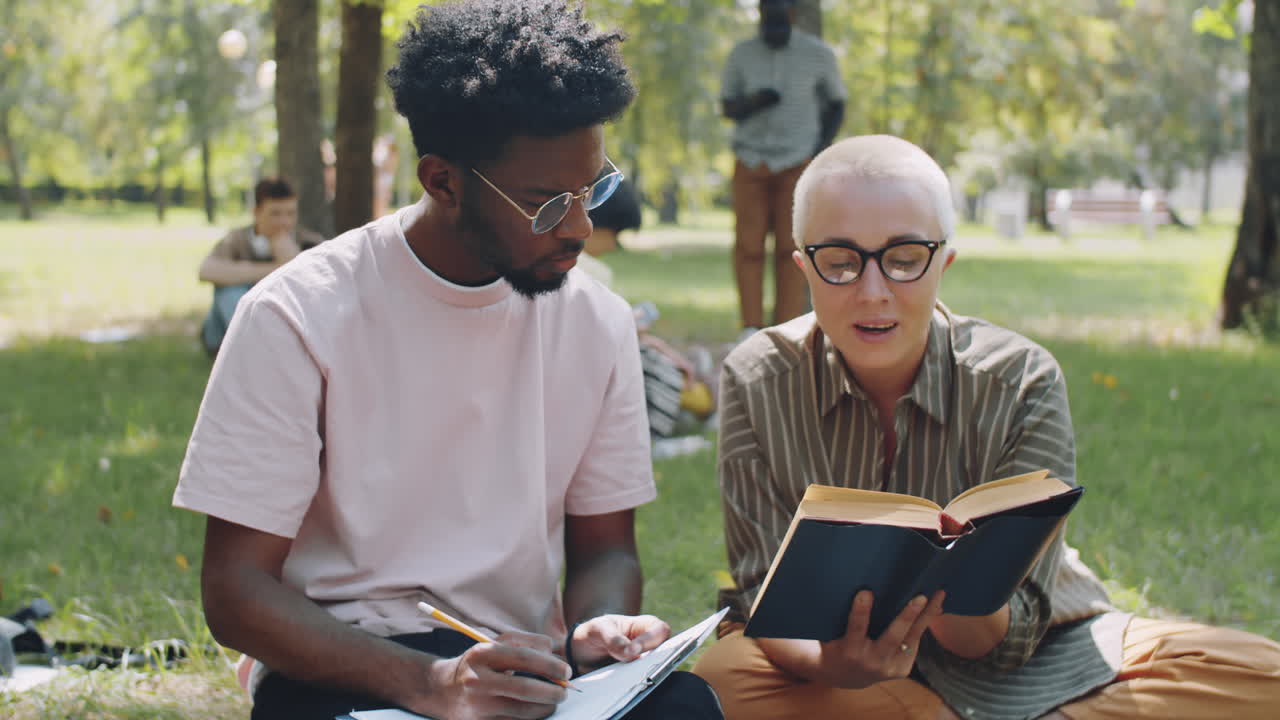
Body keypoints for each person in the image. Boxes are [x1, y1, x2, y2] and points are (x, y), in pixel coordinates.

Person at [172, 2, 723, 718]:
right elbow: (235, 592)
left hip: (516, 668)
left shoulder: (598, 322)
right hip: (342, 666)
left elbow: (607, 550)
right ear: (443, 183)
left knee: (686, 708)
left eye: (591, 191)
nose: (580, 228)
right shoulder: (295, 314)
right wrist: (430, 684)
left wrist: (599, 629)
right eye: (546, 204)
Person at [692, 135, 1280, 719]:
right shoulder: (756, 377)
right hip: (828, 671)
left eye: (904, 259)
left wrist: (953, 579)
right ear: (804, 267)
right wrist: (833, 667)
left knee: (1260, 675)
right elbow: (759, 592)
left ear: (943, 264)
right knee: (722, 681)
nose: (873, 292)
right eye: (841, 263)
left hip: (1044, 662)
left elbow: (1013, 635)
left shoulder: (1021, 379)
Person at [721, 0, 845, 337]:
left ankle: (787, 328)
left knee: (791, 249)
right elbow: (727, 107)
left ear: (790, 16)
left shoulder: (818, 55)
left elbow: (836, 104)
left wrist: (818, 152)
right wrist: (753, 102)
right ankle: (750, 326)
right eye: (768, 23)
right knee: (748, 246)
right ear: (760, 14)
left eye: (780, 23)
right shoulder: (741, 54)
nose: (773, 30)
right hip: (751, 161)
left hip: (796, 161)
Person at [196, 178, 325, 357]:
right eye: (275, 214)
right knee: (229, 290)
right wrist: (278, 268)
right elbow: (206, 271)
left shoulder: (308, 241)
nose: (284, 222)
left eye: (290, 213)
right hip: (223, 332)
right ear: (257, 212)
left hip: (282, 326)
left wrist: (292, 260)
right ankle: (254, 348)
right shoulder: (238, 239)